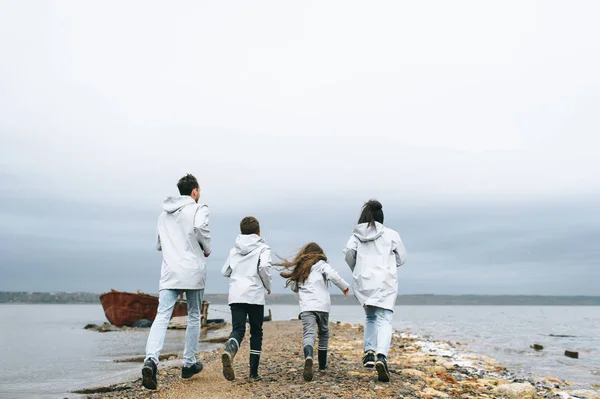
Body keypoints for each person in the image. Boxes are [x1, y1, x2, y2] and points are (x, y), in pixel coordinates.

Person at [141, 174, 211, 390]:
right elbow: (200, 230)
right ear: (195, 191)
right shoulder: (199, 209)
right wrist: (206, 248)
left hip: (170, 271)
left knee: (162, 316)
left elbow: (159, 245)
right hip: (192, 270)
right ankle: (188, 363)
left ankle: (150, 360)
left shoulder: (163, 215)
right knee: (193, 315)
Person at [343, 199, 406, 383]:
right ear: (381, 216)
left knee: (370, 317)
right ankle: (381, 357)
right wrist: (389, 264)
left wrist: (358, 268)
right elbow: (402, 258)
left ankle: (369, 352)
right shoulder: (392, 234)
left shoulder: (355, 235)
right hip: (385, 281)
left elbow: (348, 254)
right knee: (384, 318)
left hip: (364, 282)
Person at [277, 242, 350, 382]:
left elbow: (294, 288)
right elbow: (333, 275)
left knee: (309, 333)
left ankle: (309, 356)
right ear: (319, 254)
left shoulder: (301, 269)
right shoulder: (321, 264)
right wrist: (344, 286)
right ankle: (322, 365)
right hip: (322, 306)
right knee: (323, 333)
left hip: (306, 307)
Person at [221, 216, 272, 381]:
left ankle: (229, 350)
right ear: (258, 232)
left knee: (238, 330)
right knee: (256, 332)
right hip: (255, 295)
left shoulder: (234, 250)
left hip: (236, 294)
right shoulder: (263, 248)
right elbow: (264, 267)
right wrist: (267, 285)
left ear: (241, 232)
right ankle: (253, 373)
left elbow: (225, 271)